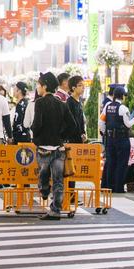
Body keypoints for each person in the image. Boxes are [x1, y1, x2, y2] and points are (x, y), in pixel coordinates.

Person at [31, 72, 72, 220]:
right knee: (58, 181)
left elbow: (37, 124)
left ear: (45, 86)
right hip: (59, 148)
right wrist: (62, 137)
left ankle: (44, 190)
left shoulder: (40, 103)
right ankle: (56, 210)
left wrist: (35, 137)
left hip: (43, 148)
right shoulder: (62, 104)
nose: (37, 88)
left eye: (38, 85)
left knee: (42, 176)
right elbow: (72, 125)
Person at [99, 85, 134, 193]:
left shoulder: (107, 106)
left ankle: (108, 186)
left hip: (110, 140)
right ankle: (118, 187)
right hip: (122, 140)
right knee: (121, 163)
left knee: (110, 162)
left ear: (114, 96)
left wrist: (105, 133)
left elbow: (101, 122)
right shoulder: (123, 108)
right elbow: (128, 124)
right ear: (123, 97)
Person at [66, 75, 86, 142]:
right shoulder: (69, 102)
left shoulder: (79, 100)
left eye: (83, 85)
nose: (83, 87)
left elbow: (81, 119)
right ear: (73, 88)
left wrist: (83, 133)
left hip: (79, 137)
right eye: (80, 85)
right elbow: (71, 122)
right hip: (72, 139)